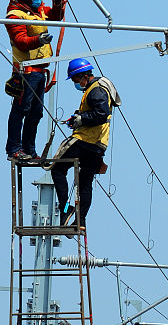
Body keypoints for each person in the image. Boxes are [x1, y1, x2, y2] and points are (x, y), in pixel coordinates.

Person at [49, 59, 120, 227]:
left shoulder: (96, 90)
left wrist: (81, 119)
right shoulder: (96, 89)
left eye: (75, 79)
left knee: (58, 169)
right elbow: (96, 113)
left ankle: (65, 209)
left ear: (83, 76)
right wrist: (78, 118)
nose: (75, 83)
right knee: (85, 181)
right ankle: (80, 221)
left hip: (86, 141)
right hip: (98, 144)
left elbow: (101, 113)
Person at [5, 0, 65, 162]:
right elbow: (20, 41)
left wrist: (57, 3)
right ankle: (14, 148)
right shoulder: (15, 16)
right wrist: (38, 40)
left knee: (36, 112)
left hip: (39, 71)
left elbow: (55, 16)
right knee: (21, 110)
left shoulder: (36, 10)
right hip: (26, 72)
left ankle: (29, 150)